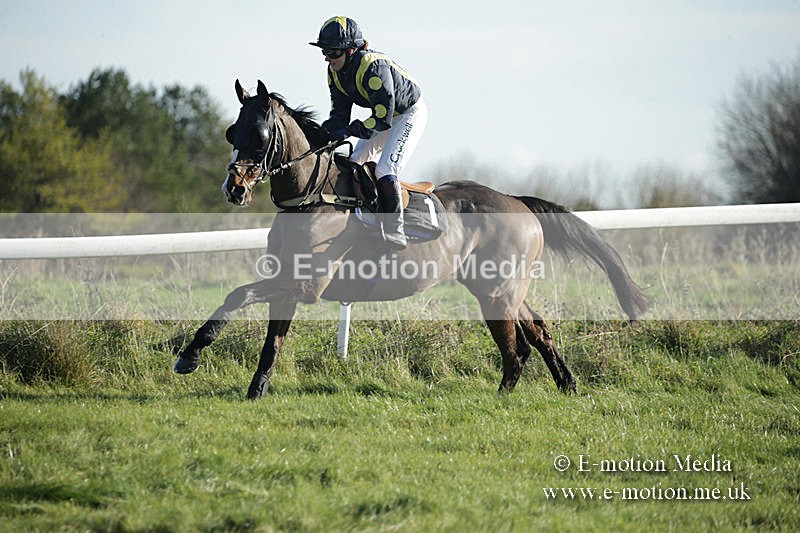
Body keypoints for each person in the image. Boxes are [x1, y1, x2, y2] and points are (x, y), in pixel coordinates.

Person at [309, 16, 427, 250]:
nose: (326, 57)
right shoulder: (334, 72)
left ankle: (395, 229)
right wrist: (323, 134)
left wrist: (350, 130)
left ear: (351, 50)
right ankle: (367, 220)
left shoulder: (373, 68)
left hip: (407, 114)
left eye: (332, 52)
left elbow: (382, 118)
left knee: (385, 168)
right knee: (356, 162)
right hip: (385, 117)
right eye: (324, 51)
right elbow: (339, 116)